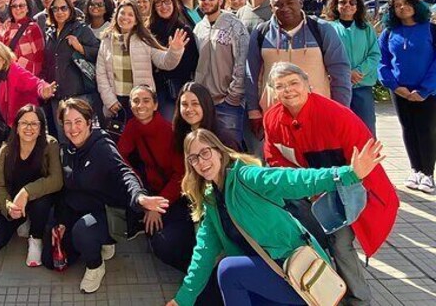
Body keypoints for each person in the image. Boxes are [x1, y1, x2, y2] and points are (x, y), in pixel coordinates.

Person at [166, 128, 386, 306]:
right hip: (267, 273)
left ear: (219, 151)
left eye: (205, 152)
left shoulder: (246, 177)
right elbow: (203, 253)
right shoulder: (211, 199)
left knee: (228, 271)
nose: (202, 162)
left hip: (295, 273)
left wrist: (347, 174)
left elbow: (293, 180)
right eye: (194, 158)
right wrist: (182, 300)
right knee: (213, 290)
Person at [263, 62, 399, 304]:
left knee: (340, 241)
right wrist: (306, 189)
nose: (288, 90)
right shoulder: (272, 119)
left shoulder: (338, 117)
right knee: (307, 239)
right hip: (305, 189)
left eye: (294, 83)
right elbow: (275, 159)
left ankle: (359, 299)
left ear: (309, 85)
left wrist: (333, 189)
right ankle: (322, 293)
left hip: (347, 187)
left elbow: (364, 164)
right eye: (280, 86)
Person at [42, 99, 169, 294]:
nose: (73, 128)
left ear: (88, 122)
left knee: (82, 232)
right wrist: (60, 220)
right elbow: (65, 190)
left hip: (107, 212)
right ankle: (88, 240)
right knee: (51, 259)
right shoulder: (65, 150)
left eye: (78, 121)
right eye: (68, 123)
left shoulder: (102, 147)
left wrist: (140, 198)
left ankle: (96, 265)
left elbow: (124, 173)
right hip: (78, 209)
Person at [245, 0, 351, 146]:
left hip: (317, 114)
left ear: (300, 3)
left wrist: (341, 110)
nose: (284, 8)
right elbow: (250, 75)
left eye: (290, 3)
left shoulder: (322, 30)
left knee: (316, 166)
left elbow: (340, 72)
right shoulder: (261, 33)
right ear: (271, 7)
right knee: (278, 166)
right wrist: (253, 112)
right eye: (278, 5)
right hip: (275, 114)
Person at [117, 86, 195, 273]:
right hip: (152, 191)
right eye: (135, 101)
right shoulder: (133, 126)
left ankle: (199, 275)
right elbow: (120, 158)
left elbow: (181, 175)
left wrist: (157, 207)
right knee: (157, 238)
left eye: (146, 100)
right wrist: (138, 184)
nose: (140, 105)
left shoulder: (169, 131)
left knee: (165, 244)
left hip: (175, 195)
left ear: (155, 105)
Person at [0, 105, 62, 266]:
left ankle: (36, 238)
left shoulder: (50, 145)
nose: (29, 128)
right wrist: (8, 206)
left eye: (34, 124)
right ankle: (21, 220)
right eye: (24, 123)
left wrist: (26, 192)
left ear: (41, 129)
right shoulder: (6, 150)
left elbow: (56, 180)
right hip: (13, 202)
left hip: (38, 199)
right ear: (16, 127)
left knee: (42, 201)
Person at [378, 0, 436, 194]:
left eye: (406, 3)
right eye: (397, 5)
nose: (402, 8)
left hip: (427, 91)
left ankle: (428, 174)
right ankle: (415, 170)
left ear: (415, 5)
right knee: (408, 129)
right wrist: (394, 86)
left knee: (426, 129)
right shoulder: (389, 32)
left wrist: (425, 89)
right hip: (400, 91)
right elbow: (382, 60)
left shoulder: (430, 29)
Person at [96, 0, 188, 121]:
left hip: (141, 102)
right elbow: (100, 74)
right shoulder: (106, 41)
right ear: (116, 15)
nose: (125, 17)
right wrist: (109, 100)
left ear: (135, 20)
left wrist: (175, 51)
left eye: (130, 14)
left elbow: (165, 62)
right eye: (122, 13)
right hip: (116, 102)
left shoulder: (144, 39)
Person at [192, 0, 250, 150]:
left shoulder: (235, 26)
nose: (207, 1)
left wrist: (233, 95)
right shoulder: (198, 28)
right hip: (204, 102)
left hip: (227, 102)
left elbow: (242, 61)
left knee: (231, 151)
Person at [0, 40, 56, 150]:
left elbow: (36, 83)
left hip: (20, 124)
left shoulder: (14, 72)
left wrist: (44, 91)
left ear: (3, 59)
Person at [44, 0, 101, 141]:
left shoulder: (80, 29)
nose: (59, 12)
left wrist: (80, 48)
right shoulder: (50, 32)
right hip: (57, 95)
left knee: (81, 138)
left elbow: (98, 52)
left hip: (78, 94)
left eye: (63, 8)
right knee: (63, 139)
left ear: (70, 9)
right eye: (55, 9)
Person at [323, 0, 381, 133]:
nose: (347, 5)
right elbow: (323, 55)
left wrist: (358, 71)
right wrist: (345, 73)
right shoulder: (328, 28)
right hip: (337, 87)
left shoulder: (366, 28)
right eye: (343, 2)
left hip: (362, 86)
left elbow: (374, 54)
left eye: (352, 2)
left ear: (357, 6)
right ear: (336, 5)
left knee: (366, 128)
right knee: (339, 129)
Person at [149, 0, 200, 121]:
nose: (163, 6)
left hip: (175, 92)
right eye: (158, 3)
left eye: (167, 1)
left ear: (173, 3)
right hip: (151, 90)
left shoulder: (183, 30)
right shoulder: (147, 30)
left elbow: (192, 63)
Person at [0, 0, 45, 77]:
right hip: (6, 75)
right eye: (14, 6)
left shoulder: (33, 28)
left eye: (21, 5)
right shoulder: (6, 25)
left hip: (25, 76)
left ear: (27, 8)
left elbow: (39, 57)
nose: (18, 9)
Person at [173, 82, 238, 152]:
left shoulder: (224, 139)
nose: (189, 109)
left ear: (205, 105)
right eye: (184, 104)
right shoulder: (179, 135)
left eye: (195, 104)